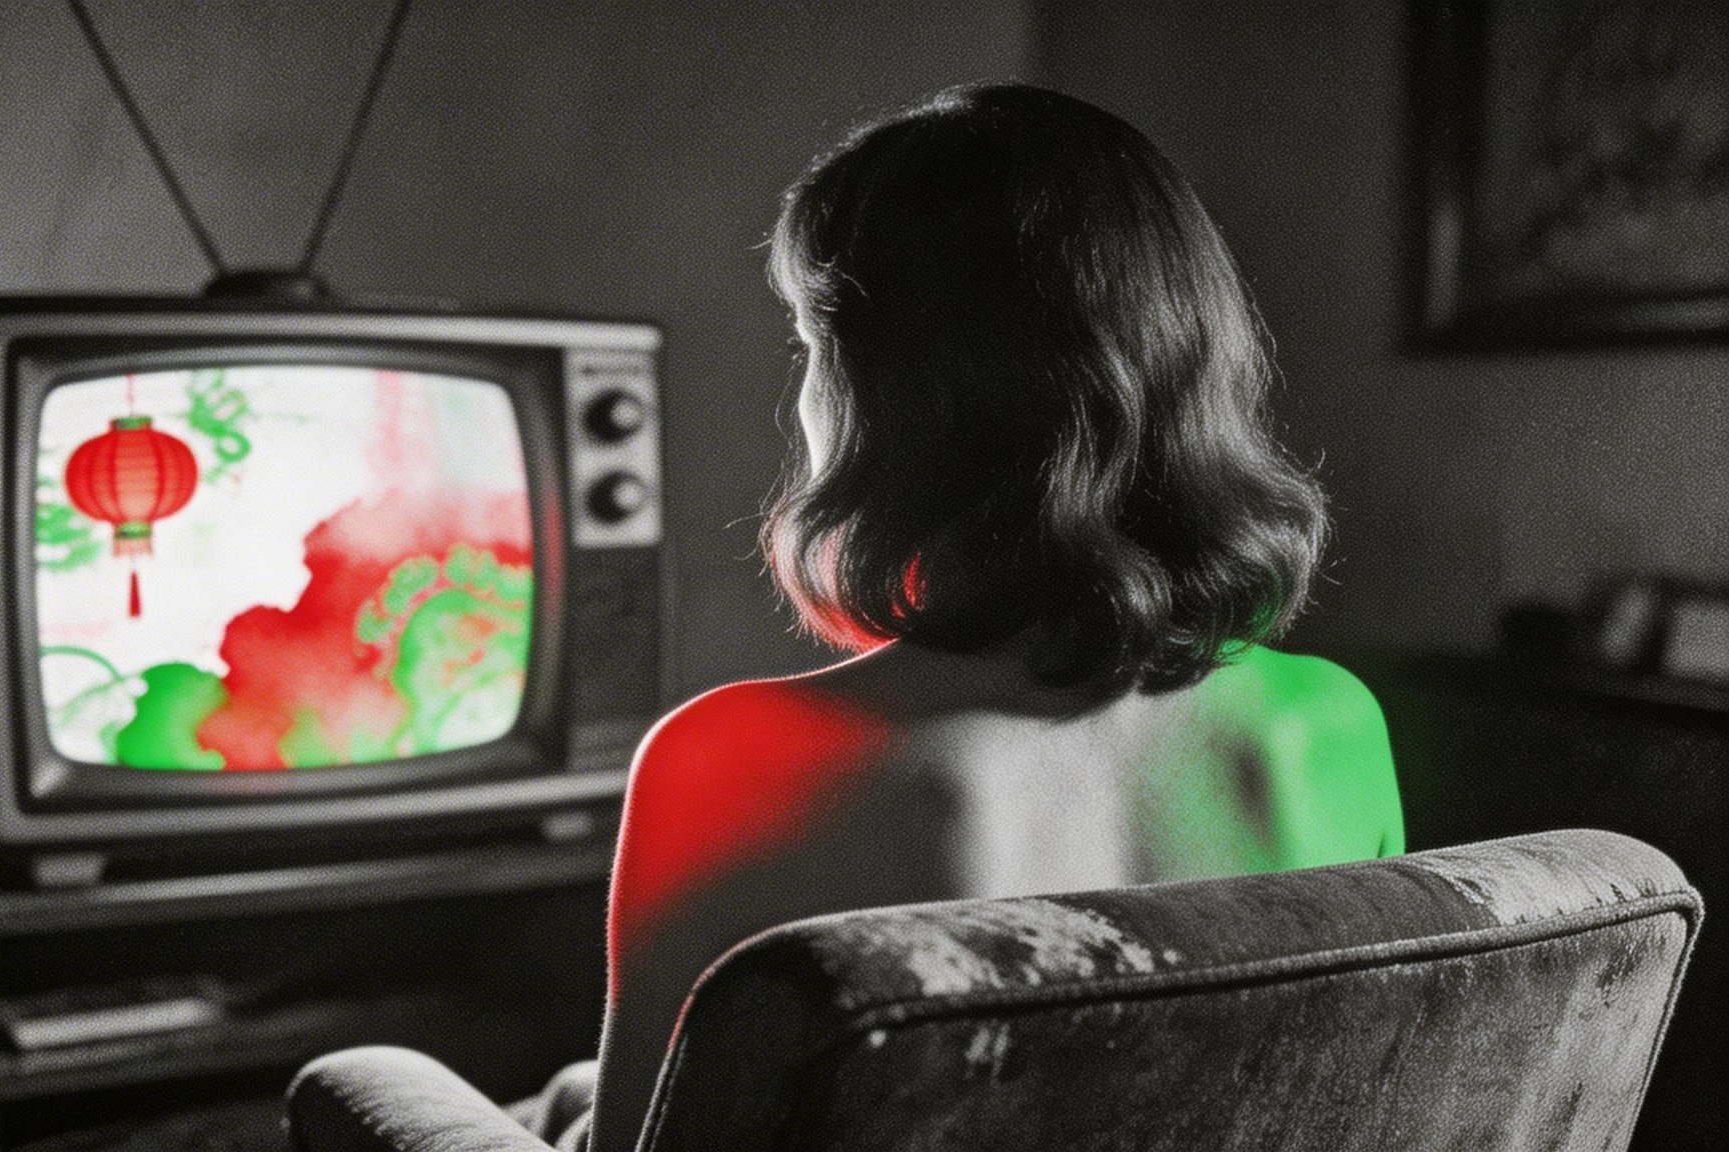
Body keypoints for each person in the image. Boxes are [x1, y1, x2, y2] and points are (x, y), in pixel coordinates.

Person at [574, 83, 1403, 1152]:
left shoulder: (726, 759)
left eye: (807, 346)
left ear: (881, 390)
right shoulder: (1334, 721)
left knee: (383, 1082)